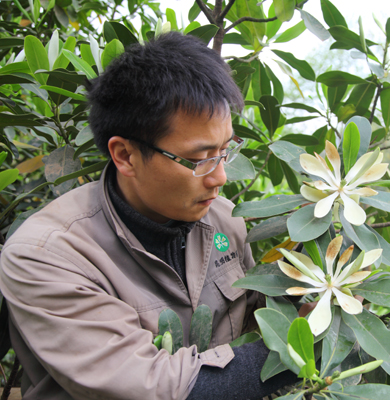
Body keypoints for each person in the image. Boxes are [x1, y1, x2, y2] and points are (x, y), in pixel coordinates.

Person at [0, 32, 296, 399]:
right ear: (125, 155)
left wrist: (309, 302)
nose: (220, 177)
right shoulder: (47, 254)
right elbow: (156, 388)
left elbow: (252, 317)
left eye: (225, 150)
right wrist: (301, 350)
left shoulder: (225, 220)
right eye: (199, 159)